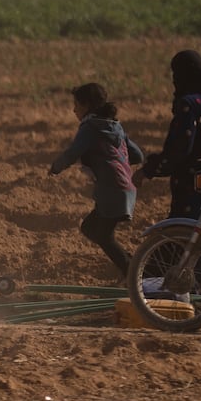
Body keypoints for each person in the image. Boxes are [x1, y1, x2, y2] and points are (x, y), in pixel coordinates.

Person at [48, 85, 143, 278]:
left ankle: (134, 272)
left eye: (77, 105)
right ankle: (135, 267)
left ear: (87, 106)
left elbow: (74, 151)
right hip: (124, 188)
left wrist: (56, 167)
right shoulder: (115, 126)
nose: (74, 110)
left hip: (113, 190)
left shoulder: (90, 127)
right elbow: (138, 155)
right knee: (90, 228)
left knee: (102, 235)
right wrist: (118, 163)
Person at [136, 51, 201, 220]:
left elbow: (179, 148)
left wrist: (148, 170)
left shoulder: (189, 104)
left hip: (193, 181)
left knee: (181, 232)